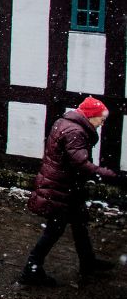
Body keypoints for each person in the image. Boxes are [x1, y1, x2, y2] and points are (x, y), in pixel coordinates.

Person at [18, 96, 123, 287]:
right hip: (61, 188)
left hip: (66, 186)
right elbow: (81, 163)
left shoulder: (65, 123)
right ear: (91, 116)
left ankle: (88, 261)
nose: (102, 123)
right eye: (101, 118)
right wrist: (112, 175)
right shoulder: (75, 131)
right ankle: (31, 269)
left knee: (79, 223)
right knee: (54, 230)